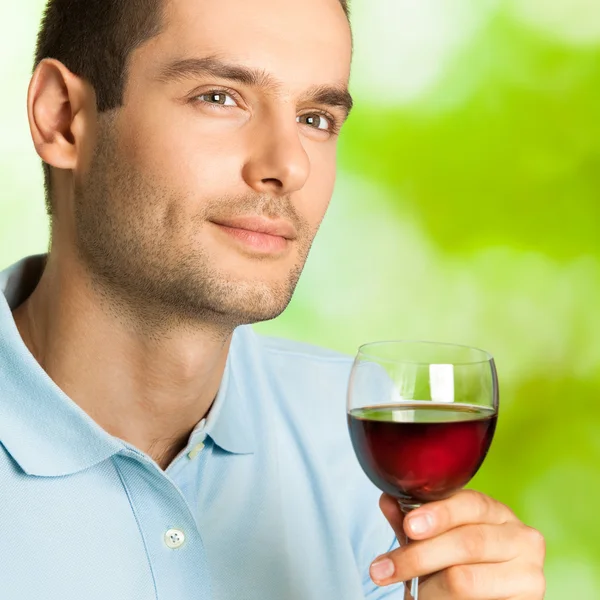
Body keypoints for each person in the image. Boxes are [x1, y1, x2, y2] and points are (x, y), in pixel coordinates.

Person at [0, 0, 546, 598]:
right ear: (62, 118)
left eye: (315, 118)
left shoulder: (365, 454)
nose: (288, 166)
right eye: (219, 97)